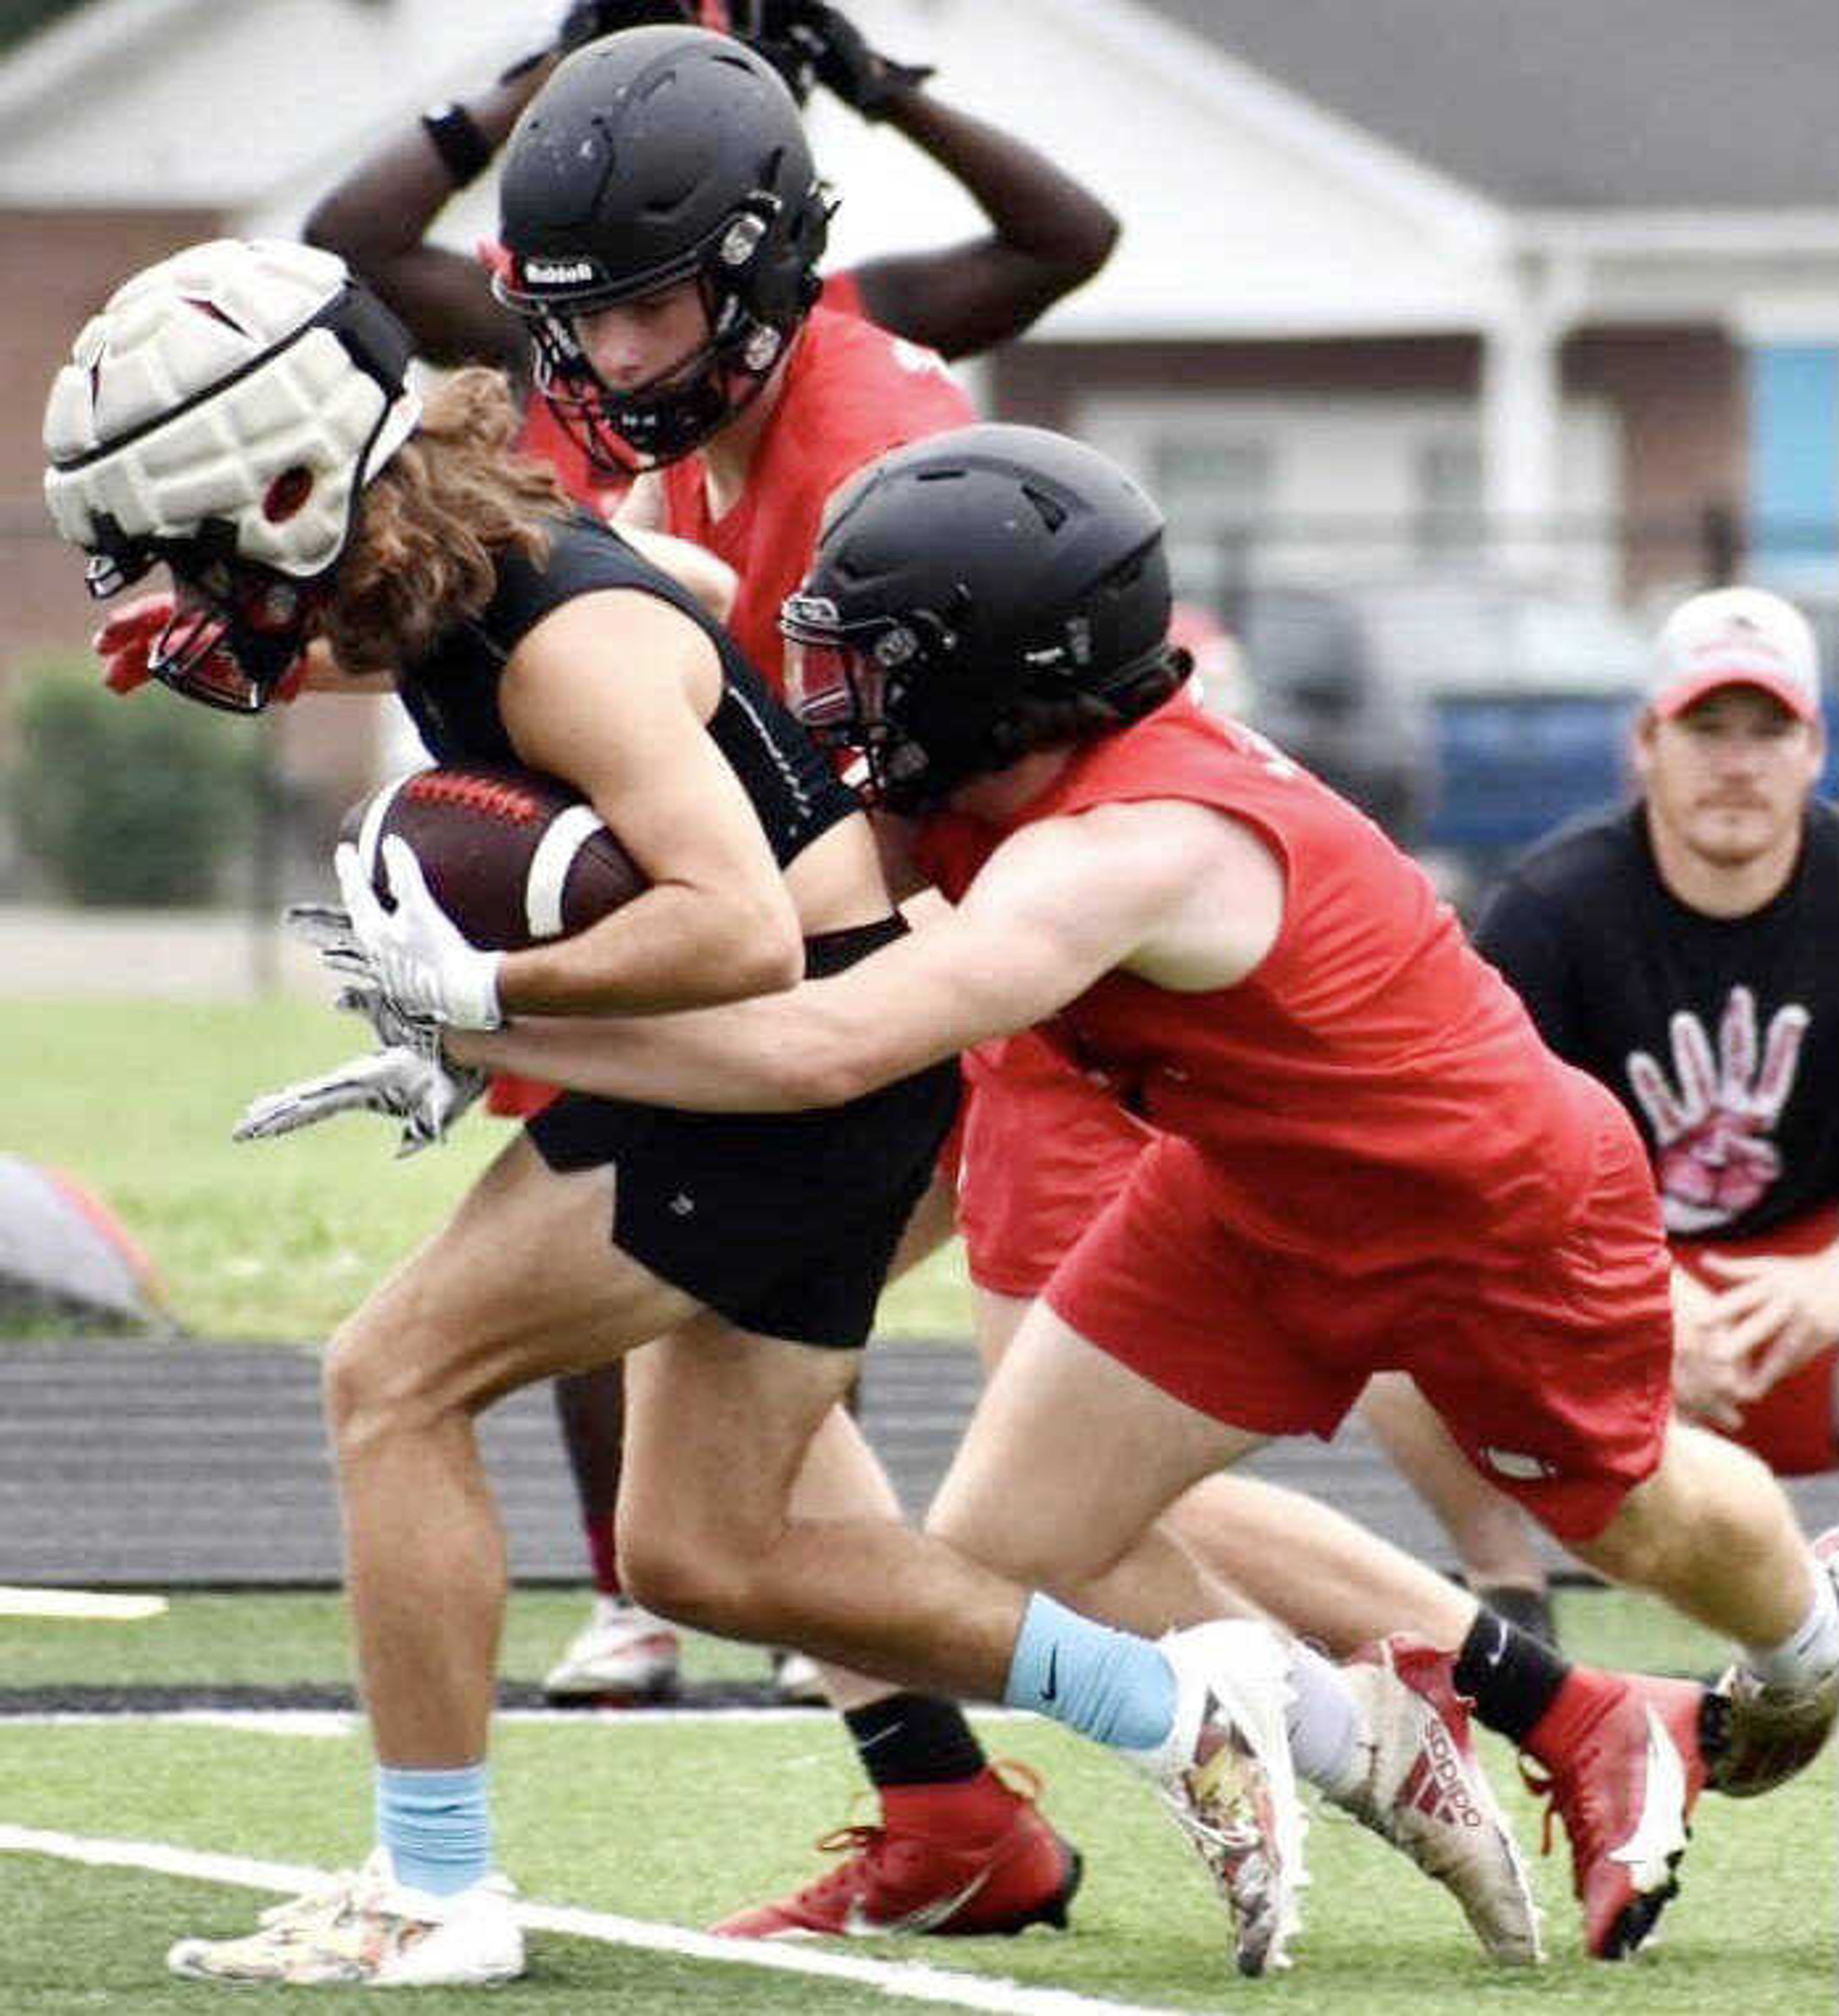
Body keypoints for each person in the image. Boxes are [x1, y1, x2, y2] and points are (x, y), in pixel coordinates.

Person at [46, 242, 1534, 1989]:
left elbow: (733, 918)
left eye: (196, 541)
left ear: (299, 487)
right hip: (799, 1066)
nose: (183, 593)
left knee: (393, 1379)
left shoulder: (554, 636)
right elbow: (669, 593)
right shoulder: (464, 569)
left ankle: (434, 1886)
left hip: (783, 1057)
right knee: (703, 1549)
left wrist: (488, 998)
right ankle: (1267, 1714)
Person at [416, 424, 1839, 1962]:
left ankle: (1806, 1644)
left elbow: (831, 1042)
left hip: (1488, 1207)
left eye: (879, 660)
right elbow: (747, 776)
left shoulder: (1126, 845)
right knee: (1014, 1538)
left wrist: (488, 1003)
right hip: (1246, 1187)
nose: (844, 693)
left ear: (1002, 673)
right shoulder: (1014, 769)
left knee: (1639, 1519)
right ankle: (1388, 1728)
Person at [298, 0, 1120, 1710]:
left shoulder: (865, 425)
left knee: (1065, 1510)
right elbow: (364, 258)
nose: (597, 367)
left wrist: (508, 997)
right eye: (571, 320)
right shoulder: (649, 373)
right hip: (876, 966)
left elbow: (841, 870)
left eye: (641, 308)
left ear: (748, 265)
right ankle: (961, 1816)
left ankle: (1435, 1693)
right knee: (723, 1488)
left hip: (1011, 982)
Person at [1348, 586, 1839, 1647]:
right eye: (1707, 727)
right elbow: (1474, 1159)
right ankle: (1509, 1593)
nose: (1738, 762)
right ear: (1647, 744)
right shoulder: (1553, 906)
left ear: (1813, 750)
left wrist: (1830, 1280)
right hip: (1610, 1289)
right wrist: (1647, 1290)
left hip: (1811, 1293)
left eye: (1771, 730)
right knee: (1385, 1291)